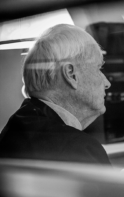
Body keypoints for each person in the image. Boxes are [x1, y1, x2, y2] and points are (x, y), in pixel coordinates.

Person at [0, 24, 112, 166]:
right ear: (71, 74)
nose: (107, 83)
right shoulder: (78, 149)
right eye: (98, 68)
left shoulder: (16, 128)